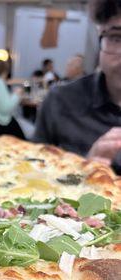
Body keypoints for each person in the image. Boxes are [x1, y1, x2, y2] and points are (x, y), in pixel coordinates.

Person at [34, 0, 121, 167]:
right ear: (99, 41)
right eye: (116, 38)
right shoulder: (60, 102)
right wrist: (83, 173)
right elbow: (31, 174)